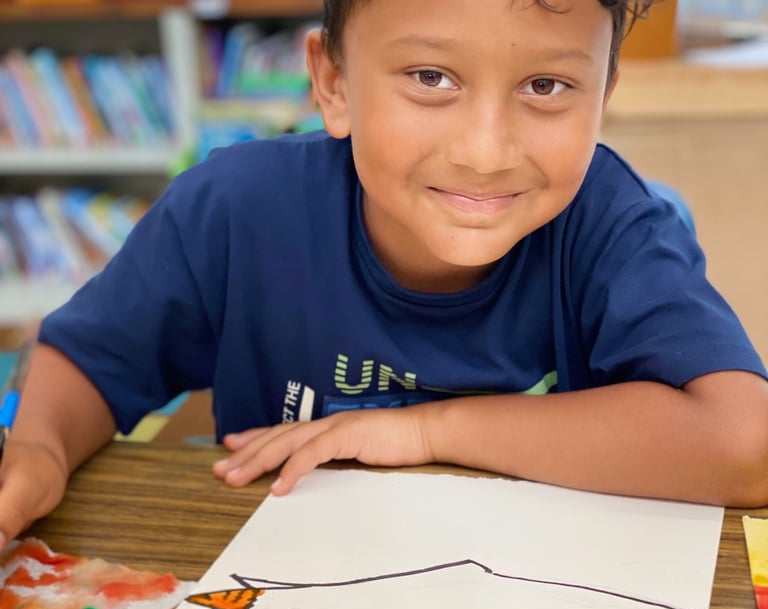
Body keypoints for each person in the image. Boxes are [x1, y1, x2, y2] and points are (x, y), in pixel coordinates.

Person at [2, 0, 767, 550]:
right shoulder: (235, 208)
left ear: (603, 95)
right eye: (432, 76)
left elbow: (747, 443)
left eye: (546, 87)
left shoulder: (613, 224)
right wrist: (39, 447)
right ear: (332, 83)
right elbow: (92, 360)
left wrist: (426, 429)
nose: (485, 150)